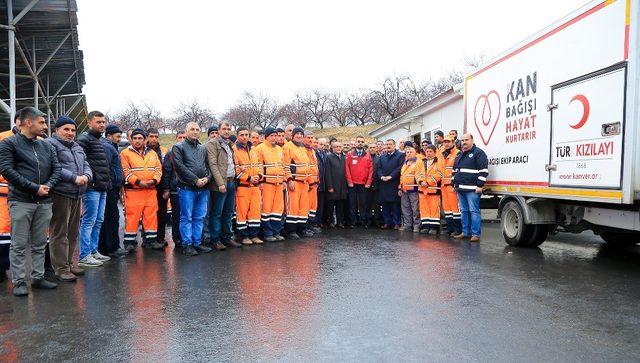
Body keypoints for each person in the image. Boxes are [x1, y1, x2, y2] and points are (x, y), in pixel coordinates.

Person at [0, 107, 61, 296]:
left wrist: (47, 186)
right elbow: (7, 171)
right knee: (18, 244)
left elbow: (56, 169)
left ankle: (37, 277)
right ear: (28, 122)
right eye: (41, 122)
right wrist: (34, 188)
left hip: (44, 202)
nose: (45, 126)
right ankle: (19, 281)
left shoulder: (46, 145)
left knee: (40, 242)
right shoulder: (9, 144)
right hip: (21, 201)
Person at [77, 111, 111, 267]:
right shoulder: (84, 139)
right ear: (89, 122)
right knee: (89, 221)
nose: (102, 125)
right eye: (98, 122)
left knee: (98, 221)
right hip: (91, 187)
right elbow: (80, 163)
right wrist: (91, 181)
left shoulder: (98, 140)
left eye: (103, 122)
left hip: (102, 187)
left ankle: (93, 251)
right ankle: (84, 255)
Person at [172, 123, 211, 256]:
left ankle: (197, 242)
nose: (195, 132)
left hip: (203, 188)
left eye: (197, 130)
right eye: (192, 130)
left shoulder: (202, 148)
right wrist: (195, 180)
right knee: (187, 217)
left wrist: (208, 178)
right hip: (187, 187)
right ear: (187, 131)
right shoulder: (178, 147)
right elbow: (179, 167)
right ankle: (187, 244)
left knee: (199, 217)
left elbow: (207, 166)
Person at [120, 129, 163, 251]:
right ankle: (129, 242)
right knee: (132, 217)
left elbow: (158, 170)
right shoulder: (125, 153)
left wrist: (153, 181)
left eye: (140, 138)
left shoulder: (152, 153)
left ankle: (151, 241)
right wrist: (139, 182)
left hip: (150, 190)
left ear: (145, 140)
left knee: (151, 216)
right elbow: (125, 171)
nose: (137, 141)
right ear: (131, 139)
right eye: (135, 138)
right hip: (133, 192)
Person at [206, 121, 240, 248]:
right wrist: (220, 183)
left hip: (231, 181)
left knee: (228, 212)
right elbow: (213, 165)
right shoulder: (212, 144)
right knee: (217, 212)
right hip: (220, 184)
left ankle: (227, 237)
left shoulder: (230, 144)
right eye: (224, 129)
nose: (227, 131)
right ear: (219, 130)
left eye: (228, 128)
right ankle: (215, 239)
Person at [452, 134, 488, 242]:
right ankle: (465, 233)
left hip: (473, 189)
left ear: (472, 140)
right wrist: (454, 184)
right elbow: (455, 171)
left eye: (466, 140)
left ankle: (475, 234)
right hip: (460, 189)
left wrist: (480, 186)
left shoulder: (478, 153)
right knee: (464, 211)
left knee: (474, 211)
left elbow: (483, 171)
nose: (464, 142)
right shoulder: (459, 154)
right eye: (462, 140)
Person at [253, 127, 286, 242]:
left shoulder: (279, 149)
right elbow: (257, 166)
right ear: (266, 136)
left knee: (277, 210)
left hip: (279, 183)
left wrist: (285, 180)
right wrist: (260, 182)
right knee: (266, 209)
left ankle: (276, 232)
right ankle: (268, 233)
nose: (274, 137)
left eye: (275, 135)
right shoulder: (259, 149)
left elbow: (283, 166)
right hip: (266, 184)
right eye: (271, 135)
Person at [99, 125, 127, 257]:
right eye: (117, 136)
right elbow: (107, 168)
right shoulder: (107, 147)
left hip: (112, 187)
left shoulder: (110, 147)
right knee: (112, 217)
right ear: (109, 136)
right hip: (110, 188)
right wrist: (111, 186)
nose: (119, 139)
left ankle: (104, 247)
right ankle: (112, 247)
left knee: (109, 217)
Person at [233, 127, 263, 245]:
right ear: (237, 136)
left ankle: (254, 235)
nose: (244, 137)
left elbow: (260, 164)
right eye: (242, 135)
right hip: (243, 186)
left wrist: (259, 176)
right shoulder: (234, 150)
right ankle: (244, 236)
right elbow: (236, 169)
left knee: (255, 212)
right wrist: (249, 178)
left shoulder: (254, 149)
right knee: (242, 212)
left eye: (246, 134)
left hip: (255, 187)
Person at [0, 115, 20, 282]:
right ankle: (1, 267)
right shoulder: (2, 137)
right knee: (4, 231)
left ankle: (44, 266)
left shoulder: (41, 140)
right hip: (4, 193)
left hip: (29, 193)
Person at [283, 127, 311, 239]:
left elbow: (307, 166)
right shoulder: (287, 147)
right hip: (294, 182)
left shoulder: (303, 148)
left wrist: (308, 180)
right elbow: (285, 165)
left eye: (301, 134)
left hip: (304, 182)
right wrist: (289, 180)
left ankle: (302, 229)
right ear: (293, 135)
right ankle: (291, 231)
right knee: (293, 207)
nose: (299, 136)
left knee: (303, 207)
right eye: (297, 134)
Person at [162, 131, 186, 249]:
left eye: (184, 137)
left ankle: (187, 237)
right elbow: (166, 172)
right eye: (180, 137)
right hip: (175, 189)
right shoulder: (170, 154)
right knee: (177, 215)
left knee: (188, 215)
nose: (182, 139)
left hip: (188, 189)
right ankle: (177, 238)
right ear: (176, 139)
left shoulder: (189, 153)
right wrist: (166, 188)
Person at [146, 128, 169, 247]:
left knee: (162, 213)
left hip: (161, 187)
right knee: (148, 214)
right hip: (147, 187)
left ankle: (160, 238)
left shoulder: (164, 151)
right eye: (151, 136)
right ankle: (148, 239)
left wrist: (166, 189)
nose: (154, 139)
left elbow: (167, 170)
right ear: (147, 137)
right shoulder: (143, 151)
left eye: (156, 136)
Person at [345, 136, 373, 228]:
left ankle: (362, 221)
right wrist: (349, 181)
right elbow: (347, 169)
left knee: (363, 203)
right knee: (352, 204)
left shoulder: (368, 155)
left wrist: (368, 182)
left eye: (362, 141)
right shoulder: (350, 155)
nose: (360, 143)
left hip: (364, 184)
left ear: (364, 143)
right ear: (355, 143)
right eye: (358, 141)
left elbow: (371, 170)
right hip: (352, 184)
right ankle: (353, 222)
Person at [377, 139, 405, 230]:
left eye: (390, 144)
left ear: (394, 145)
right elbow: (379, 169)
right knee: (385, 204)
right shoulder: (382, 157)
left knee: (395, 204)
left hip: (394, 183)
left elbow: (399, 168)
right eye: (387, 144)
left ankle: (396, 223)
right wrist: (381, 176)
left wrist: (390, 176)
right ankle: (386, 222)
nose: (388, 146)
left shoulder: (400, 155)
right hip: (383, 183)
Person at [417, 145, 443, 234]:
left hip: (433, 190)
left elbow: (439, 174)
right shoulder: (421, 161)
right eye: (427, 151)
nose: (428, 153)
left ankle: (434, 228)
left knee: (434, 208)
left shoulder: (439, 161)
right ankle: (425, 226)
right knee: (424, 209)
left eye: (430, 151)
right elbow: (417, 173)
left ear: (435, 152)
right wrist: (421, 182)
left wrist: (428, 182)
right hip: (422, 189)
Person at [441, 135, 462, 236]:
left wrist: (455, 184)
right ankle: (450, 228)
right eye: (445, 142)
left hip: (451, 185)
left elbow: (458, 170)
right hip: (444, 185)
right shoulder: (444, 154)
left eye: (448, 141)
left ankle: (457, 229)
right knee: (447, 208)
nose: (446, 143)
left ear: (453, 142)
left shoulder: (457, 153)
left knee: (455, 209)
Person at [398, 142, 421, 232]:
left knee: (415, 209)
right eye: (407, 152)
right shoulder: (405, 163)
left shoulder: (418, 162)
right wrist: (400, 188)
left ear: (415, 153)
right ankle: (407, 225)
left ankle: (417, 226)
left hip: (414, 189)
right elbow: (402, 176)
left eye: (410, 152)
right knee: (406, 209)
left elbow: (420, 175)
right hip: (404, 190)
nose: (408, 154)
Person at [324, 141, 348, 228]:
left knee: (340, 205)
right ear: (332, 148)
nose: (338, 148)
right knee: (331, 205)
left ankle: (340, 222)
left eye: (339, 146)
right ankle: (330, 221)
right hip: (333, 185)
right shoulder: (329, 157)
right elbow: (327, 173)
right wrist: (329, 186)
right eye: (336, 146)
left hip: (342, 186)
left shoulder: (344, 157)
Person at [304, 132, 320, 235]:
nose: (310, 140)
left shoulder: (312, 151)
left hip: (314, 183)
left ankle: (311, 225)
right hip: (308, 184)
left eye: (311, 138)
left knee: (313, 206)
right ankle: (305, 227)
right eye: (308, 138)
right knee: (305, 207)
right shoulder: (303, 151)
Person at [366, 142, 382, 227]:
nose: (372, 149)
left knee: (377, 204)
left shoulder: (379, 159)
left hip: (377, 185)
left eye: (374, 147)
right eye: (370, 147)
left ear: (376, 149)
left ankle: (377, 221)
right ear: (368, 148)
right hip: (366, 185)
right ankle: (368, 221)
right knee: (368, 204)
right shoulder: (365, 158)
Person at [314, 138, 327, 228]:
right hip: (316, 183)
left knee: (321, 205)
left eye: (324, 145)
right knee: (315, 204)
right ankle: (314, 222)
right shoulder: (314, 154)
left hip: (323, 183)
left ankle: (319, 221)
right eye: (320, 144)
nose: (322, 146)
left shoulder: (324, 154)